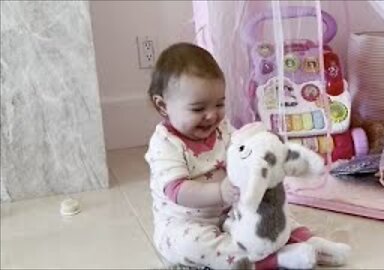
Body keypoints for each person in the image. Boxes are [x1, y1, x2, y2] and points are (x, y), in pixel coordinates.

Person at [145, 42, 350, 269]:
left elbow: (243, 150)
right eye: (198, 109)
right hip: (188, 221)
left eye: (219, 104)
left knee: (270, 208)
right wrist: (219, 192)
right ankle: (274, 260)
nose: (212, 115)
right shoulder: (164, 145)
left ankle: (306, 240)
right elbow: (177, 191)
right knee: (189, 246)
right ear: (163, 106)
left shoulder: (221, 128)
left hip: (234, 210)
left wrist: (262, 151)